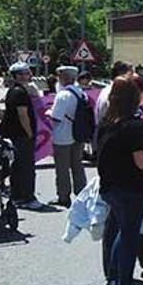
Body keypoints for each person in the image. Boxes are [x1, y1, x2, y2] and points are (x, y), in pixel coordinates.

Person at [97, 77, 143, 285]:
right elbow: (141, 162)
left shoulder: (106, 122)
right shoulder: (134, 125)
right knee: (128, 236)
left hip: (109, 186)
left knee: (118, 232)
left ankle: (113, 282)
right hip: (130, 187)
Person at [0, 62, 44, 210]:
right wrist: (30, 133)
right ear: (18, 76)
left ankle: (17, 196)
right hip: (21, 135)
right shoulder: (20, 93)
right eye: (25, 73)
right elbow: (22, 115)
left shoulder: (14, 91)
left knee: (18, 167)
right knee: (26, 167)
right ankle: (27, 197)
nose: (29, 75)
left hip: (14, 135)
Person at [46, 66, 88, 207]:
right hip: (79, 133)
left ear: (64, 78)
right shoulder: (81, 93)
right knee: (77, 165)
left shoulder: (63, 95)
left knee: (62, 167)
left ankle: (64, 196)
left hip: (62, 135)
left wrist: (48, 112)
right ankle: (82, 193)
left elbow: (56, 117)